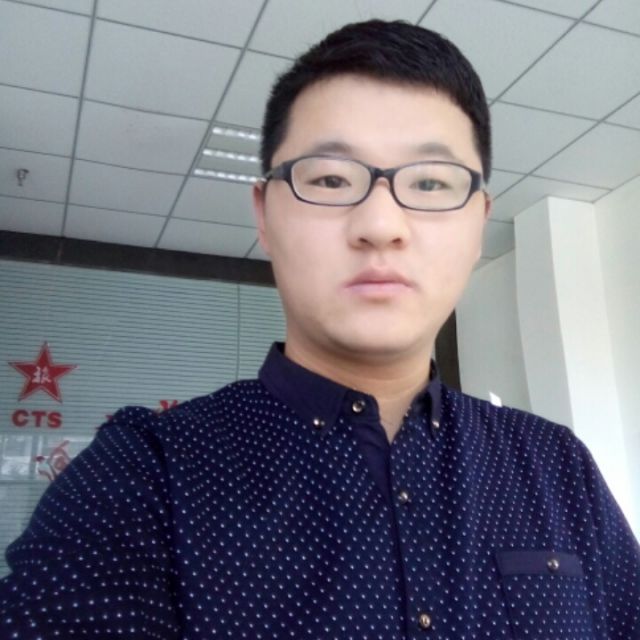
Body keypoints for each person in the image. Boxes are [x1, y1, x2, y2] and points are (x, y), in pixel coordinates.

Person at [1, 19, 639, 640]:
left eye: (430, 182)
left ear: (478, 223)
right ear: (264, 214)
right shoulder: (148, 473)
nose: (381, 224)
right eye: (331, 179)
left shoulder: (558, 467)